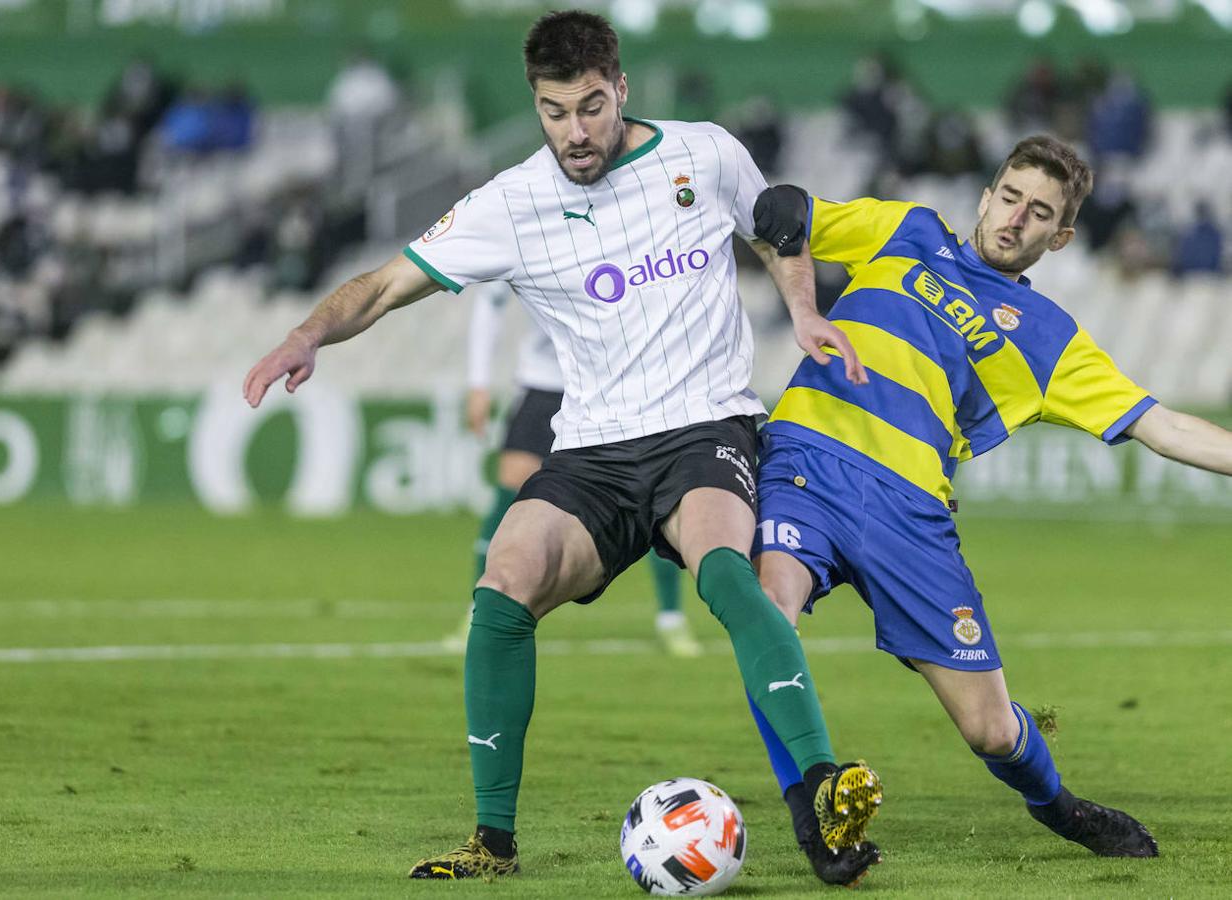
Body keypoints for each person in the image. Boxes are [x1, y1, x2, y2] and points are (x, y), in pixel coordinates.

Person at [244, 10, 882, 887]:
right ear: (535, 104)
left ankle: (821, 798)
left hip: (707, 425)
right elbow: (386, 282)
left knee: (726, 569)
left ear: (620, 87)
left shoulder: (703, 153)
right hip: (592, 448)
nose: (574, 132)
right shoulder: (511, 203)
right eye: (554, 112)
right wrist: (307, 334)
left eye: (589, 107)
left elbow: (776, 226)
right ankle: (491, 844)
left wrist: (805, 311)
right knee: (503, 578)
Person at [747, 134, 1232, 860]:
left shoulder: (1050, 341)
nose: (1015, 218)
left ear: (1061, 236)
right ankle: (814, 807)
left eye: (1039, 213)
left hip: (910, 512)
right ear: (985, 195)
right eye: (1009, 197)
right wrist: (803, 304)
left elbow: (1162, 425)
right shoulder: (905, 231)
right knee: (767, 612)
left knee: (991, 729)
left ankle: (1061, 807)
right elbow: (783, 210)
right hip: (807, 461)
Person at [450, 281, 703, 657]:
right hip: (545, 382)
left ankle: (671, 618)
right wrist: (478, 384)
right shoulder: (529, 229)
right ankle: (478, 613)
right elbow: (490, 301)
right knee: (510, 491)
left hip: (615, 386)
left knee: (653, 492)